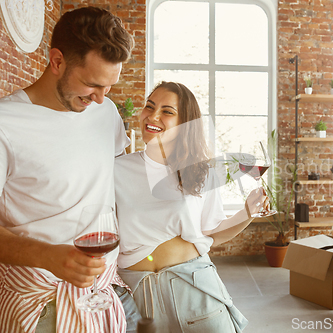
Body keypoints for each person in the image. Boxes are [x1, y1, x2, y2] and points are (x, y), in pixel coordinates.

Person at [0, 6, 141, 333]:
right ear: (57, 61)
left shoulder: (105, 112)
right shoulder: (6, 125)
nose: (102, 98)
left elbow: (119, 177)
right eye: (92, 84)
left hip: (110, 290)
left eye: (109, 86)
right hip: (43, 301)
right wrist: (47, 256)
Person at [115, 81, 268, 332]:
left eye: (167, 111)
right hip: (139, 296)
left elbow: (211, 232)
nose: (152, 116)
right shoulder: (117, 169)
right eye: (149, 106)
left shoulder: (200, 172)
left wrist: (248, 213)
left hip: (195, 287)